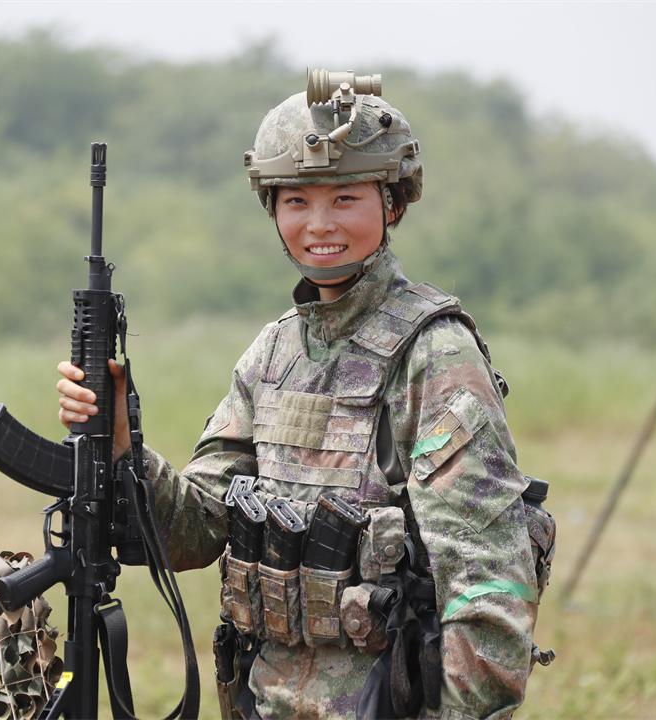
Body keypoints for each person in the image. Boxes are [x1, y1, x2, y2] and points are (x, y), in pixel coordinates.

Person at [56, 70, 542, 719]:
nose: (319, 224)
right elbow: (195, 530)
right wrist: (123, 444)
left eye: (345, 198)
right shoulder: (274, 353)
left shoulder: (435, 354)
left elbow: (489, 585)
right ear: (273, 209)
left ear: (392, 204)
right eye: (296, 201)